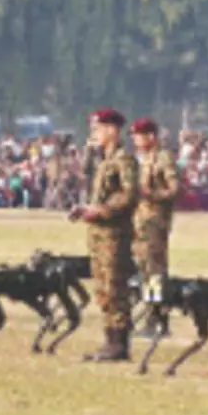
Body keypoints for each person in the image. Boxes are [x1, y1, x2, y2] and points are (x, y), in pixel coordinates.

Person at [71, 109, 138, 362]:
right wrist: (86, 209)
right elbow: (87, 180)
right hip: (99, 233)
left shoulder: (123, 159)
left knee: (114, 287)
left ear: (112, 129)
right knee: (102, 287)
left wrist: (103, 210)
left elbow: (129, 194)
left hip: (114, 233)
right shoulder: (104, 160)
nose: (94, 134)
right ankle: (110, 339)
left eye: (98, 129)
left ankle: (119, 342)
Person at [131, 117, 180, 336]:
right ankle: (152, 316)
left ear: (151, 136)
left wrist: (151, 194)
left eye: (138, 136)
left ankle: (158, 319)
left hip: (155, 223)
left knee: (155, 272)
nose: (135, 140)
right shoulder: (144, 159)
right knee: (145, 271)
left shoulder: (163, 158)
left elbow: (174, 189)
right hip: (142, 222)